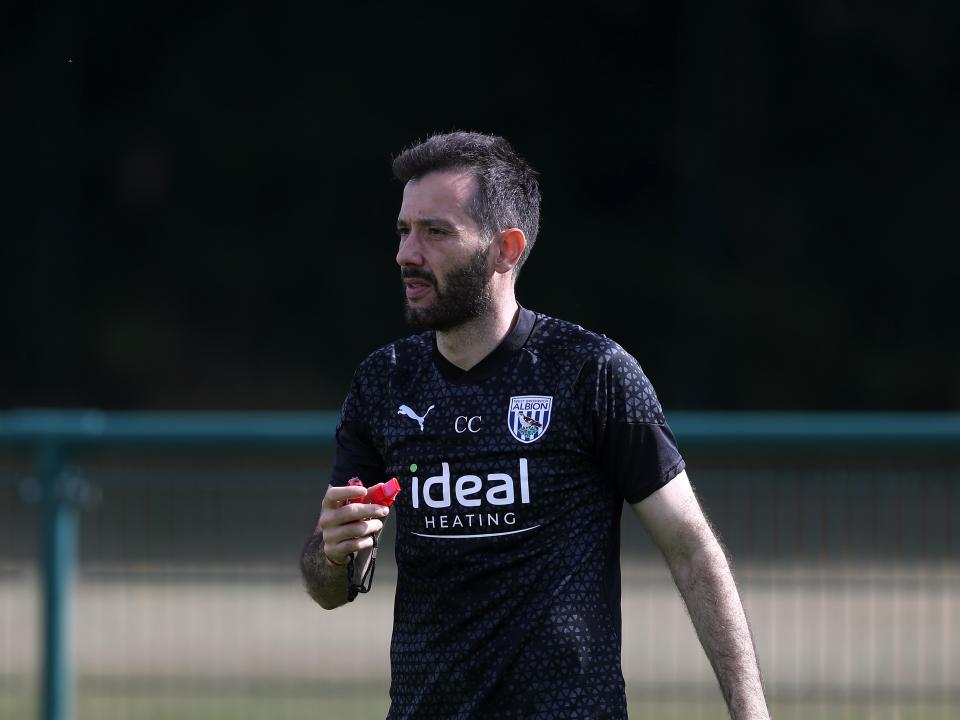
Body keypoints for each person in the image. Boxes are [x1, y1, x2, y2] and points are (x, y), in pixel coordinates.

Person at [300, 131, 770, 719]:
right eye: (403, 231)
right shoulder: (383, 383)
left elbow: (693, 550)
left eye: (435, 232)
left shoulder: (591, 374)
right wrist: (335, 553)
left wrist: (751, 714)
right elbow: (328, 587)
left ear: (506, 249)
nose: (406, 254)